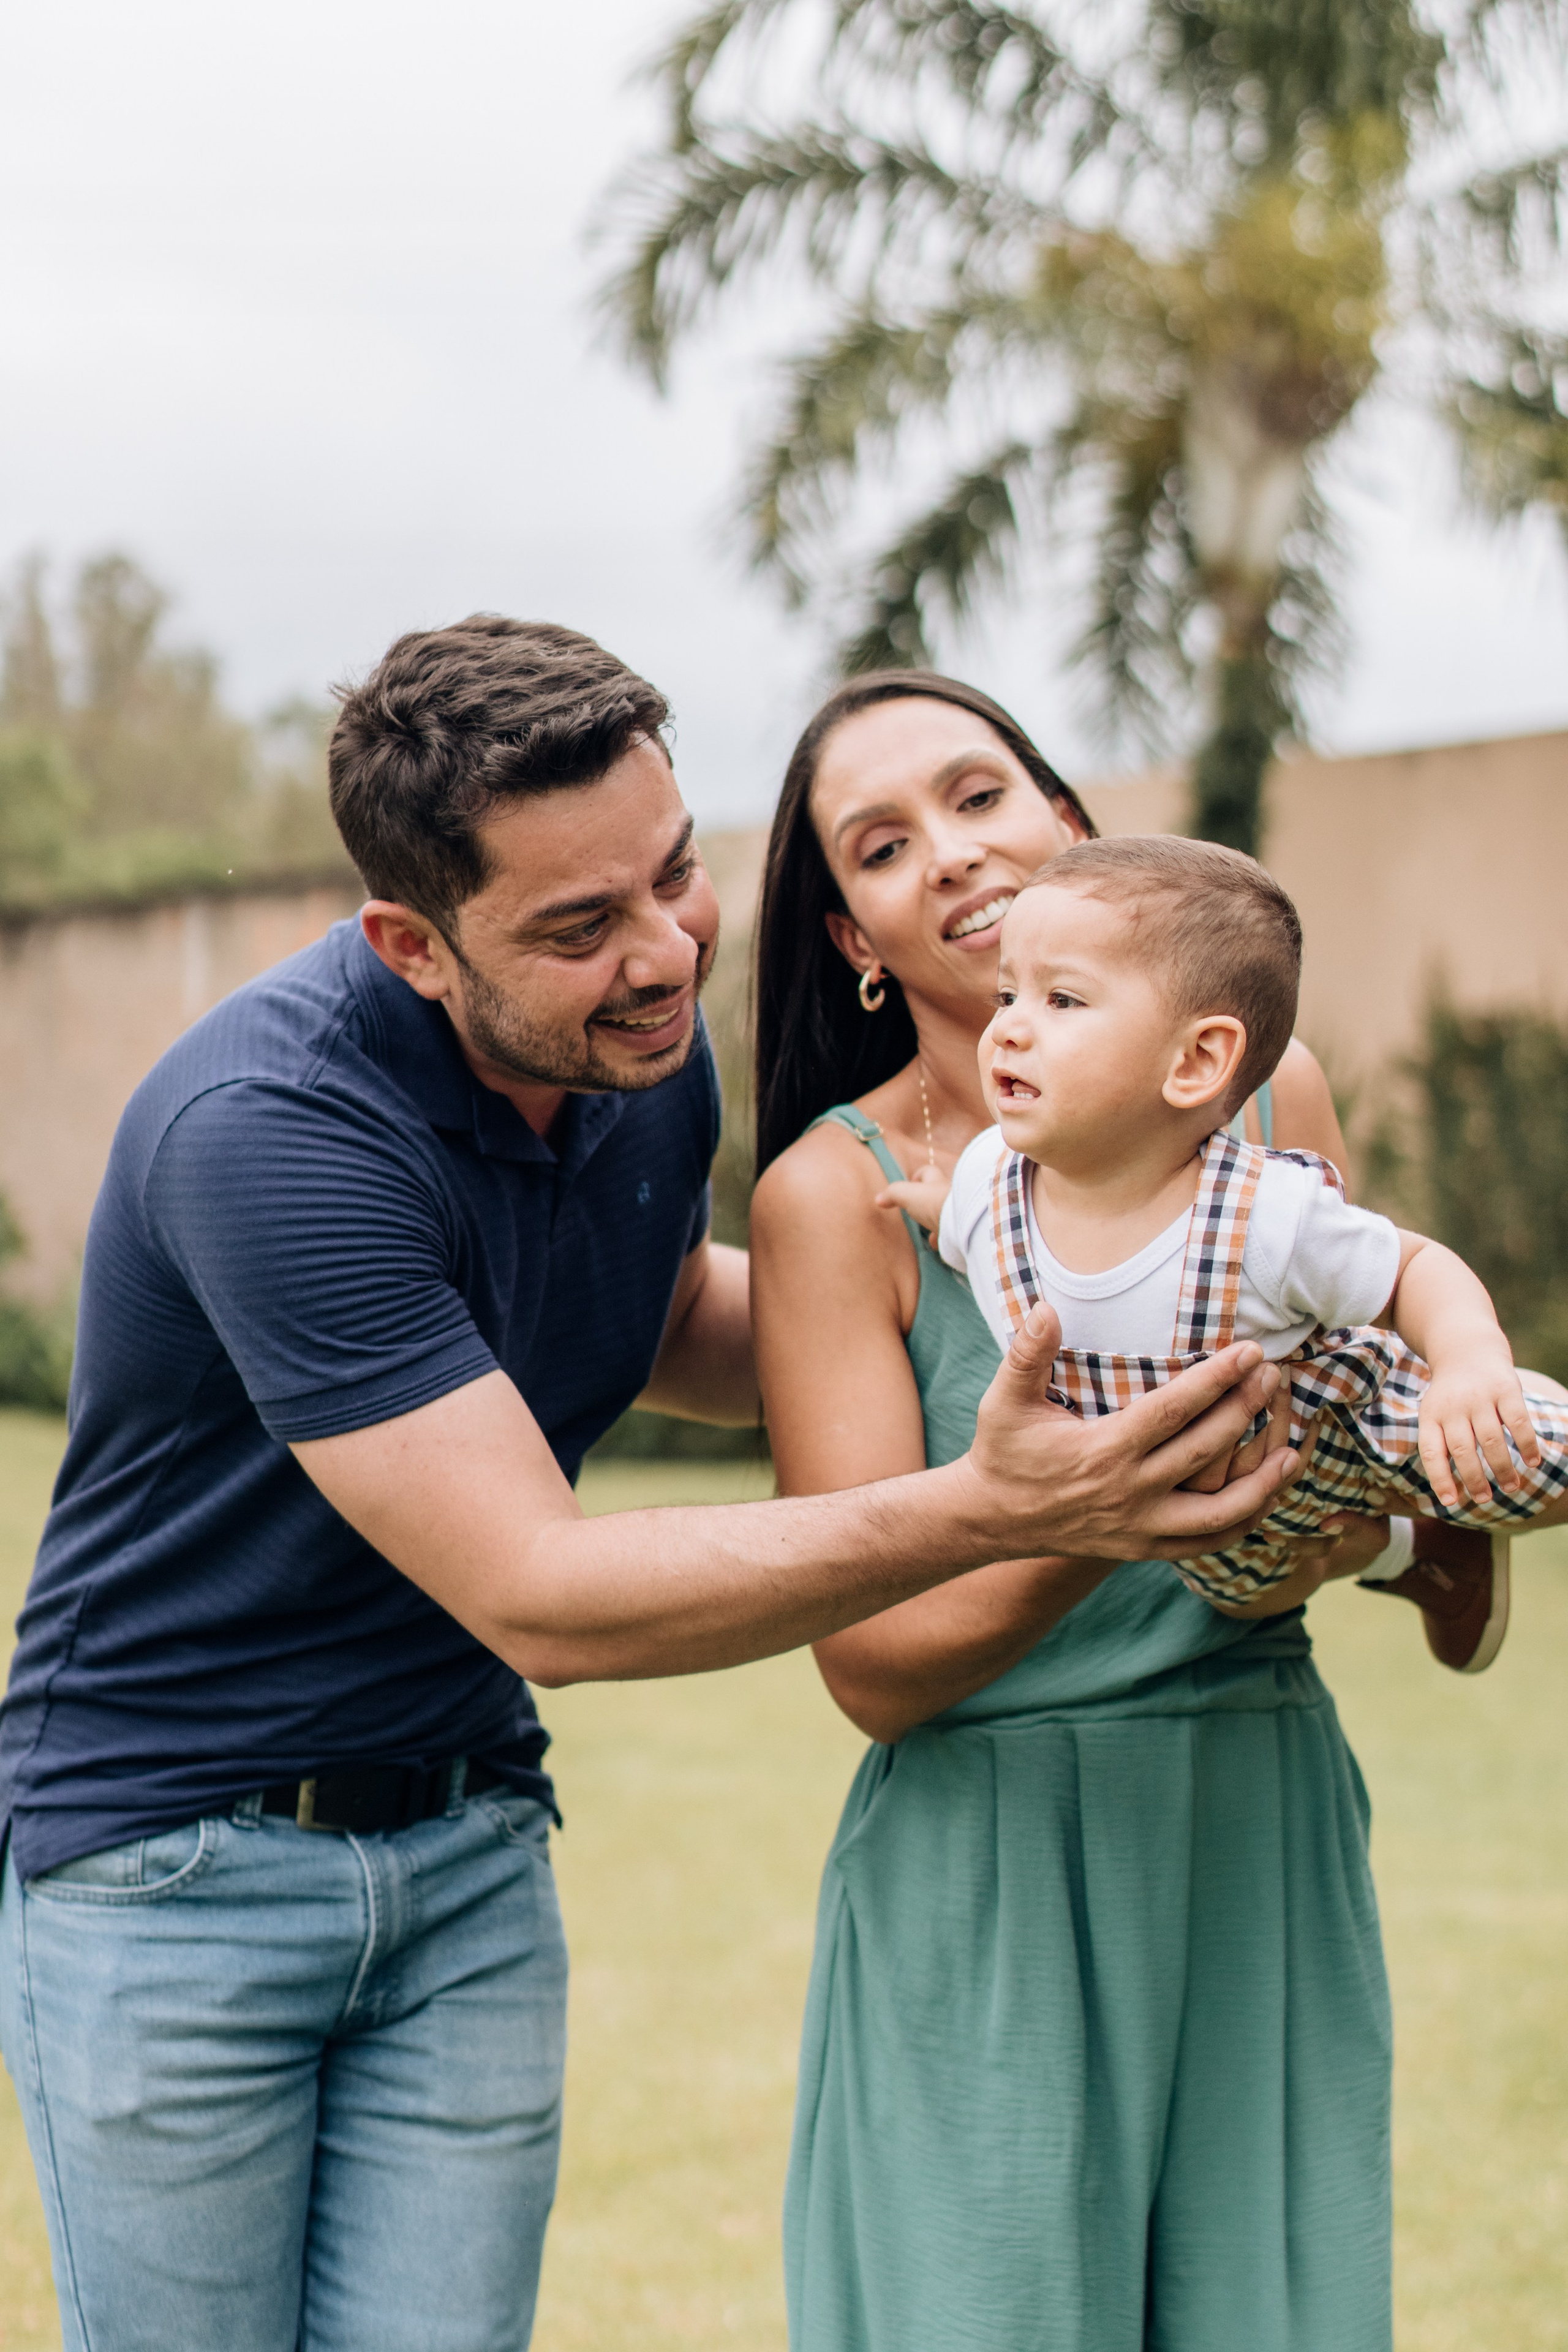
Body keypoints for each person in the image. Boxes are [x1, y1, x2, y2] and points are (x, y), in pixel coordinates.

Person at [0, 620, 1292, 2352]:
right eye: (577, 926)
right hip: (177, 1871)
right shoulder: (270, 1131)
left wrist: (997, 1307)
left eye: (674, 875)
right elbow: (544, 1594)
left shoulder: (635, 1046)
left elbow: (660, 1307)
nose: (665, 954)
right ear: (411, 945)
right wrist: (1001, 1507)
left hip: (466, 1851)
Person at [748, 669, 1547, 2352]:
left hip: (1255, 1817)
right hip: (990, 1872)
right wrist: (1085, 1514)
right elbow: (875, 1672)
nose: (952, 857)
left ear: (1069, 825)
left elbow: (1384, 1453)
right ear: (857, 947)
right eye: (881, 848)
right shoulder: (842, 1200)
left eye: (980, 799)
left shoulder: (1268, 1103)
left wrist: (1389, 1538)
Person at [933, 833, 1568, 1619]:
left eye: (1061, 1000)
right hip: (1213, 1514)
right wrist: (936, 1201)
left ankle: (1517, 1409)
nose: (1008, 1029)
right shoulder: (983, 1182)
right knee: (1243, 1597)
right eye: (1006, 997)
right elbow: (974, 1234)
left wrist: (1471, 1361)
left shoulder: (1265, 1212)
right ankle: (1424, 1555)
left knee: (1516, 1464)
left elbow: (1410, 1268)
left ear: (1197, 1060)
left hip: (1354, 1427)